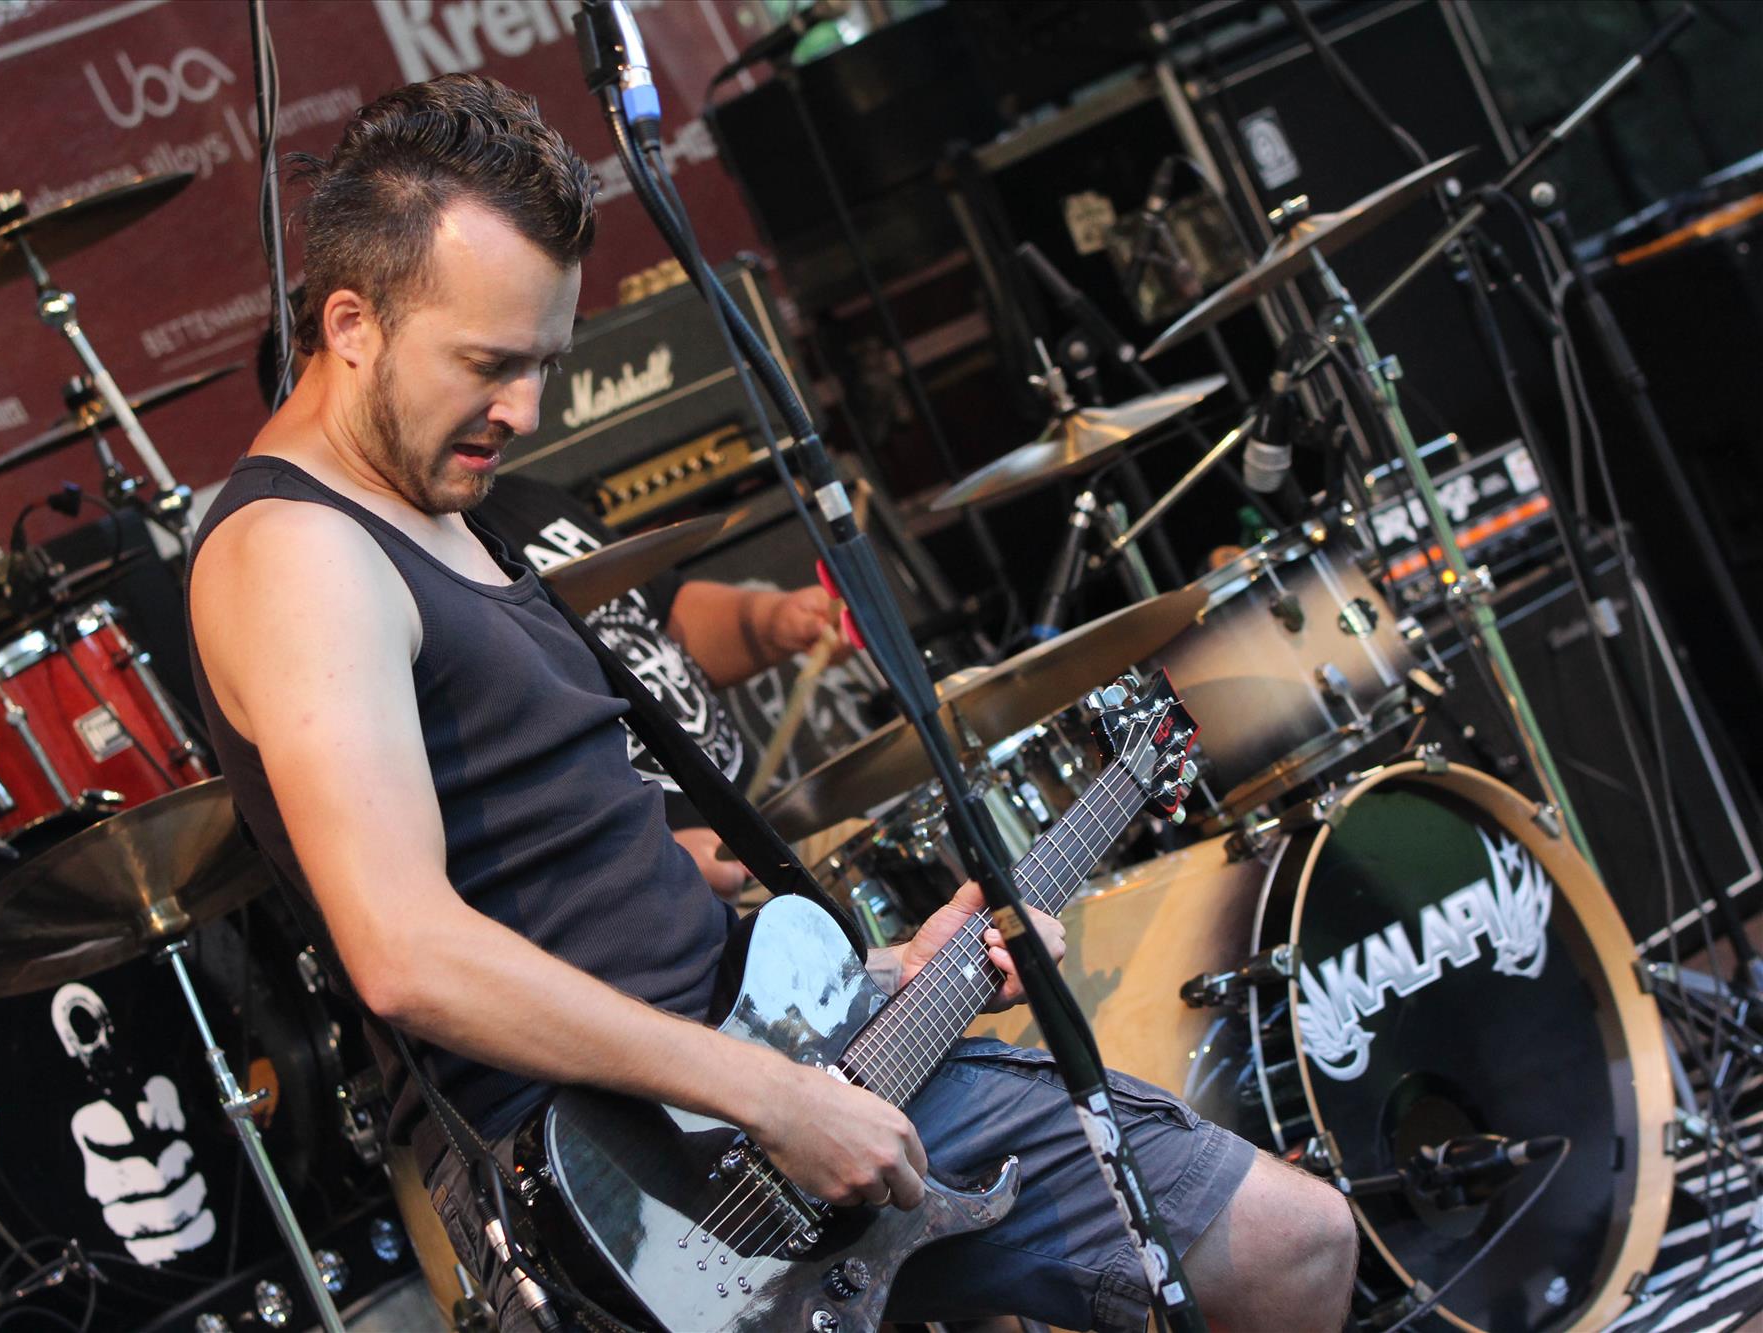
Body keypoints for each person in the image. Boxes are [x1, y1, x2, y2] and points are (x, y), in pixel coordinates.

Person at [187, 76, 1356, 1332]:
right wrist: (769, 1095)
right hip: (623, 1194)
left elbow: (593, 909)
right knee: (1284, 1243)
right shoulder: (295, 553)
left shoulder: (437, 505)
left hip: (742, 1088)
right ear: (351, 324)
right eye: (488, 364)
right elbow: (404, 953)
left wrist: (885, 981)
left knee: (1288, 1241)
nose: (524, 411)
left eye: (544, 365)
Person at [255, 298, 839, 901]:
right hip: (647, 900)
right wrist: (652, 857)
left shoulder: (517, 497)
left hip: (760, 833)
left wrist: (774, 621)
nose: (521, 409)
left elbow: (661, 624)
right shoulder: (340, 574)